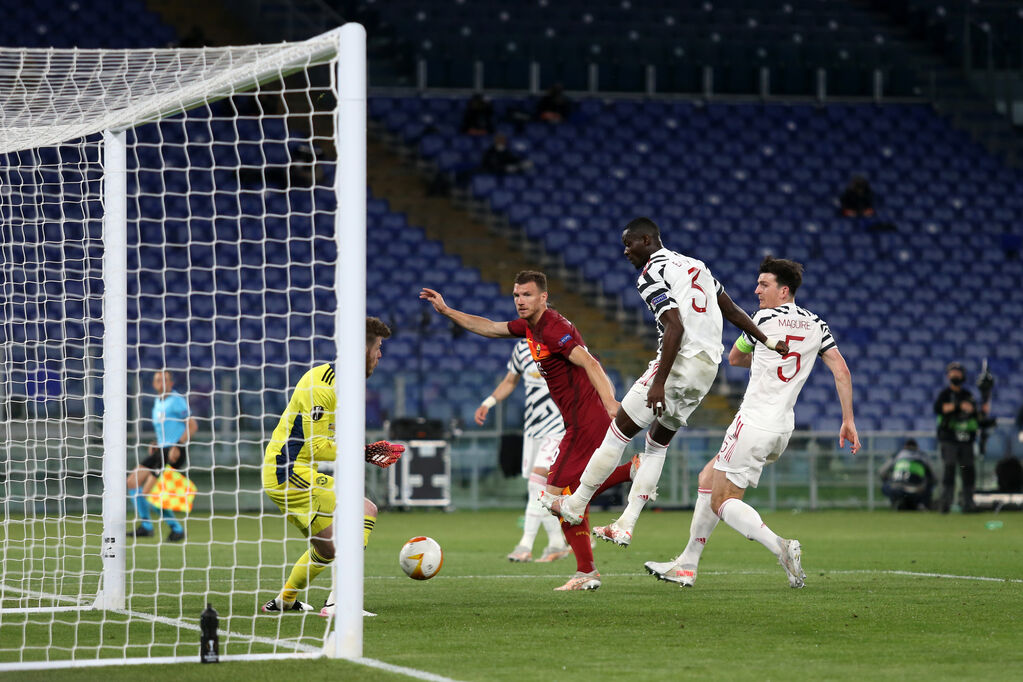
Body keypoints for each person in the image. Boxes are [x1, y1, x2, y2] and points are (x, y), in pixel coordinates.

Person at [546, 218, 788, 547]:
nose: (625, 251)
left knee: (617, 433)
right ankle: (626, 523)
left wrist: (659, 383)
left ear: (647, 239)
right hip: (706, 371)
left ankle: (575, 505)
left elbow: (674, 325)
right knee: (656, 446)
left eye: (629, 244)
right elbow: (731, 310)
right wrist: (768, 341)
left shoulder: (650, 274)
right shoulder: (696, 265)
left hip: (677, 364)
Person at [645, 256, 860, 589]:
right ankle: (686, 564)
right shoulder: (817, 324)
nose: (757, 290)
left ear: (784, 290)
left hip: (753, 421)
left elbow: (734, 358)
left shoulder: (763, 318)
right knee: (708, 477)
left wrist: (760, 354)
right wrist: (847, 420)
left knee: (723, 500)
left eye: (764, 284)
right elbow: (841, 371)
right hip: (782, 427)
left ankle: (780, 546)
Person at [421, 271, 634, 591]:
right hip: (578, 423)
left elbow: (590, 362)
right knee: (572, 502)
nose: (520, 301)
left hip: (585, 424)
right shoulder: (530, 327)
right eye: (516, 295)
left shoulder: (553, 328)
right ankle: (587, 572)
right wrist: (448, 311)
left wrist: (611, 403)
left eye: (527, 295)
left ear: (543, 298)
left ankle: (631, 471)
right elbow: (490, 327)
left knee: (554, 500)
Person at [260, 317, 405, 615]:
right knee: (365, 510)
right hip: (288, 472)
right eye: (377, 347)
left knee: (327, 550)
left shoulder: (344, 384)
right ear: (361, 348)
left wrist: (360, 452)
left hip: (297, 472)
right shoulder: (323, 386)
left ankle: (285, 600)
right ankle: (339, 602)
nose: (380, 355)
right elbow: (316, 447)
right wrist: (362, 452)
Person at [476, 339, 571, 563]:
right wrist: (488, 402)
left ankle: (525, 545)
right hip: (533, 428)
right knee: (539, 490)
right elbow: (510, 381)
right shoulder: (521, 348)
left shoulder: (561, 342)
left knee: (536, 483)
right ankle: (557, 544)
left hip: (558, 425)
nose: (521, 302)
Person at [127, 370, 197, 542]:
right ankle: (146, 526)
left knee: (148, 492)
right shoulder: (157, 403)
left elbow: (192, 425)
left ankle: (176, 529)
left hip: (173, 452)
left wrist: (178, 445)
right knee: (131, 482)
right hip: (161, 450)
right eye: (158, 380)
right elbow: (166, 430)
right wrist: (156, 443)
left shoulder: (177, 401)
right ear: (154, 384)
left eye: (165, 380)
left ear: (171, 383)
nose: (161, 383)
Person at [934, 362, 988, 513]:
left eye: (958, 373)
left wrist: (983, 407)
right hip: (949, 439)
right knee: (949, 470)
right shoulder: (945, 394)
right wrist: (959, 406)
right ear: (948, 375)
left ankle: (968, 503)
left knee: (968, 471)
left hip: (966, 440)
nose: (955, 375)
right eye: (953, 372)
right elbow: (940, 409)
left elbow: (977, 415)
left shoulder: (968, 395)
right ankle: (945, 503)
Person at [879, 439, 935, 510]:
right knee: (929, 482)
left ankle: (896, 502)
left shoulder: (898, 454)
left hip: (895, 488)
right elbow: (933, 477)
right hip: (915, 489)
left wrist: (888, 479)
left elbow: (882, 472)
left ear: (905, 446)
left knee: (887, 485)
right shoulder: (923, 456)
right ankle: (921, 504)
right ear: (917, 447)